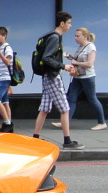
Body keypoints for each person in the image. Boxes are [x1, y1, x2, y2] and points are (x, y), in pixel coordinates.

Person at [31, 12, 84, 149]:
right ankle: (67, 141)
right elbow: (47, 58)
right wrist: (64, 66)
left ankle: (35, 139)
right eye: (69, 23)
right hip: (53, 77)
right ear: (62, 23)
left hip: (47, 77)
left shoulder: (52, 36)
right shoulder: (55, 37)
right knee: (65, 108)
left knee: (44, 109)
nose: (70, 26)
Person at [62, 27, 106, 131]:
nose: (75, 38)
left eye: (77, 36)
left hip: (87, 77)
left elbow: (90, 64)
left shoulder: (91, 47)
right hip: (78, 76)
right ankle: (65, 121)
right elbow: (79, 60)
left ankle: (102, 122)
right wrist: (72, 58)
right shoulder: (80, 47)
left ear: (85, 37)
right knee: (71, 98)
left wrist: (75, 62)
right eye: (75, 36)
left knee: (92, 99)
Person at [0, 26, 15, 132]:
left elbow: (8, 62)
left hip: (5, 78)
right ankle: (8, 124)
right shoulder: (0, 47)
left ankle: (7, 123)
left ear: (4, 36)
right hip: (1, 77)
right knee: (5, 102)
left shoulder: (6, 48)